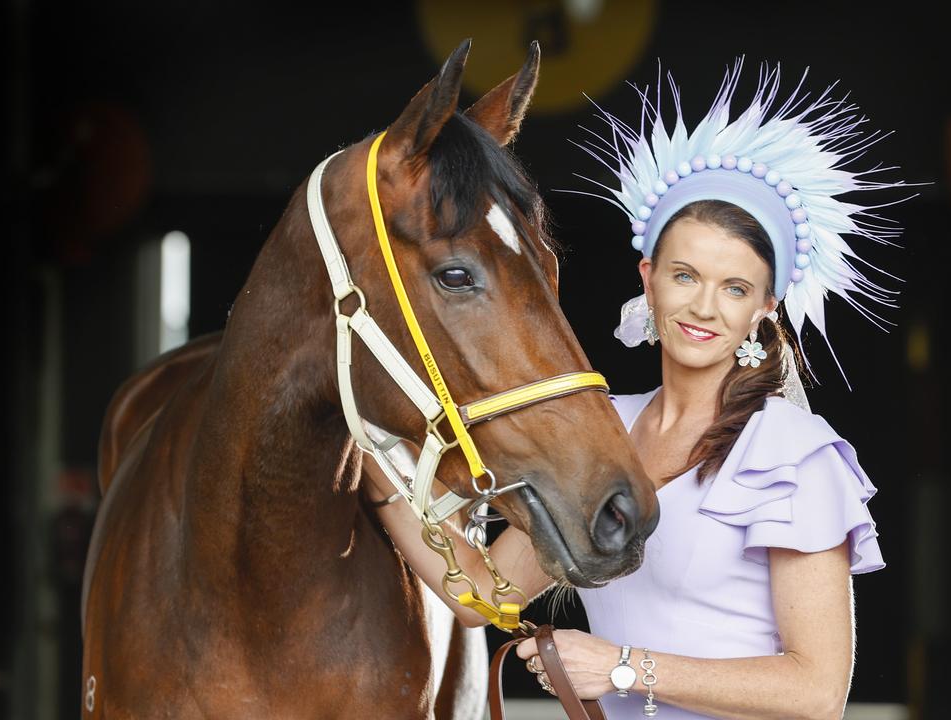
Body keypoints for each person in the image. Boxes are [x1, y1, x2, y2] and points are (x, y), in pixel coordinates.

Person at [364, 59, 905, 719]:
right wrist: (378, 469)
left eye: (734, 288)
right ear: (648, 280)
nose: (704, 306)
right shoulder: (603, 433)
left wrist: (622, 668)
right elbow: (486, 590)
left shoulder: (792, 451)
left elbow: (817, 692)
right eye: (684, 275)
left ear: (765, 307)